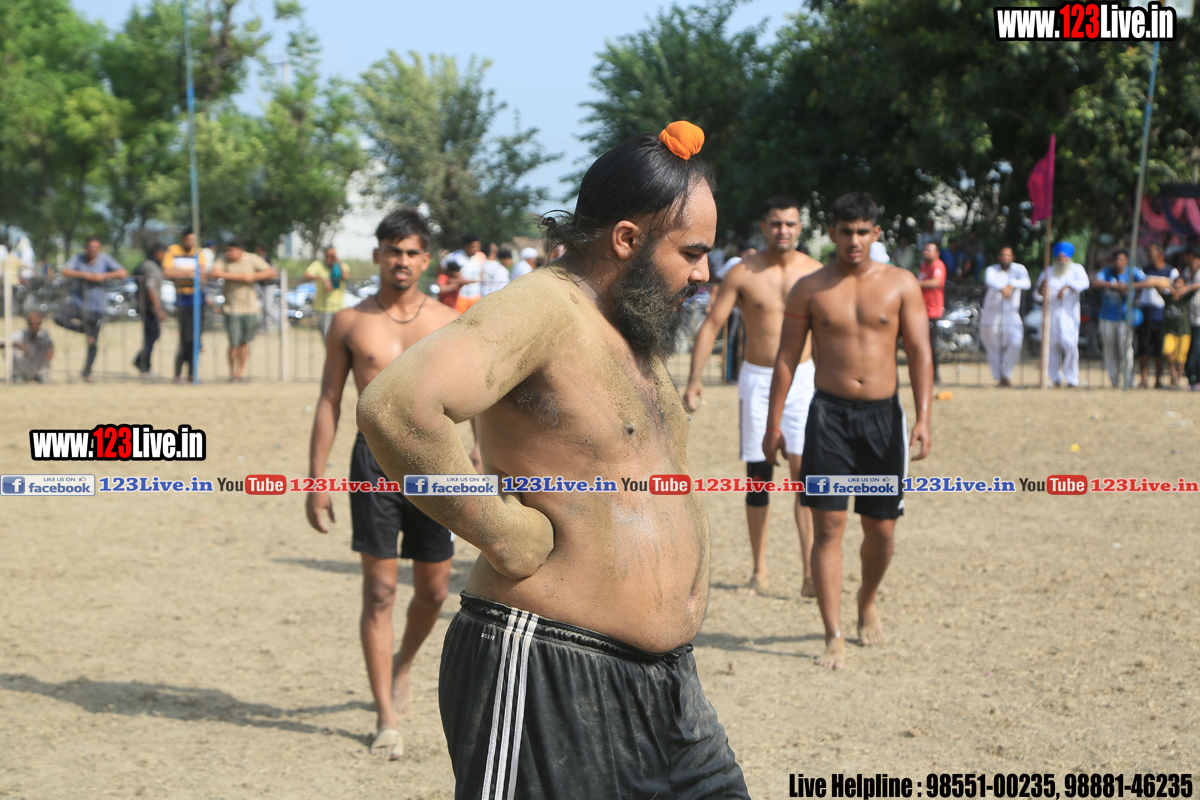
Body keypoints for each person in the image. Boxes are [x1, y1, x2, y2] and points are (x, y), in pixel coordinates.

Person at [357, 122, 749, 797]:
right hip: (547, 669)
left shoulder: (627, 324)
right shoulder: (544, 306)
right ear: (626, 239)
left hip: (668, 688)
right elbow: (397, 407)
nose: (702, 273)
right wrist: (501, 531)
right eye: (691, 252)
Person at [305, 209, 461, 761]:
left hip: (436, 465)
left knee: (435, 591)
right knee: (379, 592)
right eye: (393, 250)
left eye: (412, 252)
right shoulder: (349, 322)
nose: (402, 260)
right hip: (372, 463)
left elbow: (478, 397)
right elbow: (329, 401)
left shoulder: (448, 321)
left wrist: (481, 456)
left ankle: (404, 663)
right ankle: (385, 717)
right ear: (377, 255)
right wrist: (316, 478)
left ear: (426, 259)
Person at [763, 192, 932, 671]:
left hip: (883, 420)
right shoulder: (810, 288)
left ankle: (866, 599)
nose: (853, 240)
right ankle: (833, 633)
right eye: (845, 231)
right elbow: (786, 358)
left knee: (881, 530)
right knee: (829, 526)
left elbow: (920, 352)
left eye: (862, 231)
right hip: (829, 419)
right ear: (832, 233)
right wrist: (774, 423)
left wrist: (924, 416)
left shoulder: (901, 284)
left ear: (875, 233)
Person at [684, 195, 823, 596]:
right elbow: (713, 323)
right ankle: (759, 571)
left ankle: (810, 573)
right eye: (776, 223)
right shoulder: (742, 272)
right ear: (764, 227)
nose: (783, 230)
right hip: (758, 379)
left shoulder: (815, 273)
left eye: (790, 224)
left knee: (804, 477)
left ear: (800, 228)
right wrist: (694, 379)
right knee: (759, 477)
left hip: (804, 379)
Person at [56, 236, 128, 382]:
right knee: (58, 318)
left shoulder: (105, 259)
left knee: (93, 342)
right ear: (86, 248)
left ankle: (86, 373)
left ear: (99, 248)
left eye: (96, 248)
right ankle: (83, 330)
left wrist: (103, 276)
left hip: (97, 307)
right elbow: (65, 271)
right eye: (90, 247)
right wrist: (84, 275)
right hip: (78, 302)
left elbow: (123, 273)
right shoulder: (78, 258)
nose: (93, 250)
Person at [211, 237, 276, 382]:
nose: (228, 253)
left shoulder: (251, 259)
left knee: (244, 343)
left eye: (231, 250)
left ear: (240, 250)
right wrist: (239, 277)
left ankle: (240, 373)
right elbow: (214, 272)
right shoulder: (223, 260)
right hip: (231, 308)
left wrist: (252, 276)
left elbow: (271, 272)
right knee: (233, 343)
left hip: (250, 309)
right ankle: (232, 373)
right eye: (227, 250)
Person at [1036, 242, 1091, 388]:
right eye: (1059, 258)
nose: (1062, 260)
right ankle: (1055, 378)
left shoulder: (1077, 269)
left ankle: (1072, 378)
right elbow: (1037, 295)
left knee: (1071, 345)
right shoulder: (1048, 271)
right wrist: (1042, 288)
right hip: (1051, 314)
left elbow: (1085, 283)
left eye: (1064, 257)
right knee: (1051, 346)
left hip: (1069, 315)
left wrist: (1068, 286)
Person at [1091, 249, 1148, 388]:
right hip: (1106, 317)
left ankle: (1129, 380)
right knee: (1109, 349)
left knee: (1125, 348)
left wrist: (1129, 286)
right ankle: (1114, 379)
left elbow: (1148, 282)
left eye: (1121, 259)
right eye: (1116, 259)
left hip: (1125, 317)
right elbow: (1096, 282)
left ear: (1126, 261)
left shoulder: (1132, 272)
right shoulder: (1107, 271)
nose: (1118, 262)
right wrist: (1114, 285)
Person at [163, 227, 211, 383]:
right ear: (183, 239)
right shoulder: (173, 250)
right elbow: (167, 272)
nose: (191, 242)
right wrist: (189, 273)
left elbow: (202, 276)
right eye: (188, 239)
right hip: (182, 299)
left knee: (195, 338)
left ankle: (192, 373)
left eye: (193, 240)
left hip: (197, 299)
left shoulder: (199, 252)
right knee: (185, 339)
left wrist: (181, 273)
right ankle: (178, 373)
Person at [980, 247, 1030, 386]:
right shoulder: (992, 269)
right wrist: (1003, 288)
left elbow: (1027, 283)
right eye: (1003, 255)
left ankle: (1006, 374)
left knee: (1016, 342)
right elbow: (989, 281)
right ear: (999, 257)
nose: (1005, 258)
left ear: (1012, 257)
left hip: (1011, 313)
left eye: (1008, 255)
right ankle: (999, 376)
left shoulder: (1019, 269)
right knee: (993, 345)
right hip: (992, 313)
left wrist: (1012, 285)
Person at [1136, 243, 1179, 389]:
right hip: (1144, 312)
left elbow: (1174, 287)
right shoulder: (1144, 269)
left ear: (1160, 253)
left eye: (1152, 251)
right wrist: (1157, 283)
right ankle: (1143, 380)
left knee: (1158, 349)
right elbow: (1139, 284)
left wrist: (1152, 282)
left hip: (1161, 313)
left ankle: (1158, 380)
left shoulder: (1171, 271)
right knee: (1143, 348)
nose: (1149, 254)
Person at [132, 243, 168, 375]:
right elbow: (150, 287)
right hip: (149, 307)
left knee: (152, 335)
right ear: (158, 253)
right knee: (152, 335)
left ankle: (142, 361)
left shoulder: (146, 265)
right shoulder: (151, 267)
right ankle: (143, 364)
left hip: (147, 306)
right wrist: (157, 308)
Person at [916, 242, 946, 385]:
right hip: (921, 310)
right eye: (925, 250)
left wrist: (917, 284)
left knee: (931, 345)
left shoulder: (938, 265)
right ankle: (923, 374)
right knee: (920, 345)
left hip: (933, 311)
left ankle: (935, 376)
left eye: (929, 250)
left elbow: (936, 282)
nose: (926, 252)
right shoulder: (923, 265)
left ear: (937, 253)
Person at [304, 246, 347, 337]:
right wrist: (323, 280)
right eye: (327, 256)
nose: (329, 259)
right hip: (323, 309)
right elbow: (306, 275)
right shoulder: (318, 265)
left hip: (339, 308)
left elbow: (346, 276)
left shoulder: (341, 266)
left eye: (332, 256)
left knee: (340, 337)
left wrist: (337, 260)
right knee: (327, 337)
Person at [3, 311, 54, 382]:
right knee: (9, 349)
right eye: (31, 324)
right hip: (22, 368)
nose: (34, 326)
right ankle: (18, 375)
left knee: (45, 349)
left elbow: (49, 344)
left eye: (36, 324)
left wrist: (51, 349)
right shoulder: (19, 334)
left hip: (37, 367)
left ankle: (41, 375)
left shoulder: (44, 334)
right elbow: (3, 343)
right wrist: (17, 344)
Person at [1163, 275, 1194, 389]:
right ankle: (1173, 373)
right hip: (1170, 331)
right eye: (1176, 283)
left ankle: (1176, 381)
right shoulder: (1168, 297)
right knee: (1167, 350)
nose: (1177, 285)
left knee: (1181, 358)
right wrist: (1169, 288)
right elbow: (1155, 283)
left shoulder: (1186, 297)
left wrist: (1186, 289)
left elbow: (1197, 286)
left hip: (1184, 331)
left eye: (1180, 283)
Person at [445, 234, 485, 313]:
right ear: (467, 246)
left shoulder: (481, 256)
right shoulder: (454, 256)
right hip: (460, 297)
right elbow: (441, 271)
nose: (477, 249)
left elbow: (481, 273)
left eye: (478, 246)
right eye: (474, 247)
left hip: (476, 296)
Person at [1180, 247, 1200, 390]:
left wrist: (1187, 288)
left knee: (1197, 351)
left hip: (1199, 319)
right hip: (1187, 318)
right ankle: (1191, 379)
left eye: (1185, 255)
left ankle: (1197, 380)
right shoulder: (1186, 272)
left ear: (1191, 255)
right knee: (1187, 351)